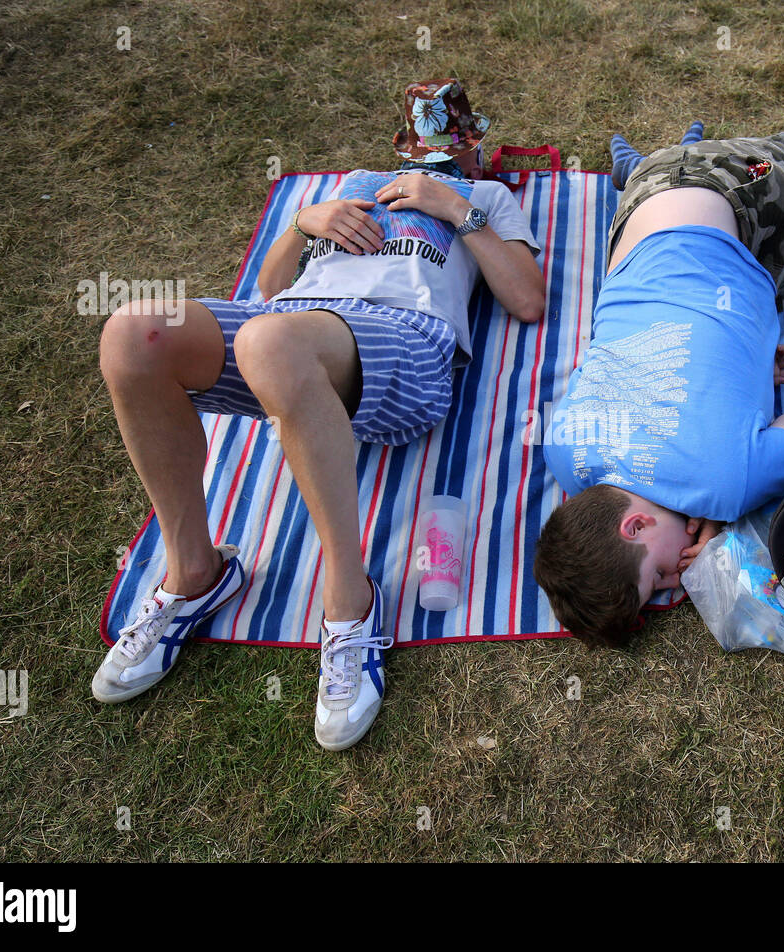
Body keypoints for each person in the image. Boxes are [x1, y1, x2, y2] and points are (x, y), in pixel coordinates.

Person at [92, 79, 545, 751]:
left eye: (458, 150)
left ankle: (351, 601)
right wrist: (299, 224)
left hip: (404, 343)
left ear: (481, 152)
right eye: (427, 150)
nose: (442, 161)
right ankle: (194, 573)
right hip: (288, 327)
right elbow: (272, 288)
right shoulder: (358, 181)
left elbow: (528, 300)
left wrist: (455, 208)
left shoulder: (486, 196)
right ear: (400, 148)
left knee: (270, 343)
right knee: (134, 332)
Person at [534, 125, 784, 645]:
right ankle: (649, 162)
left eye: (658, 575)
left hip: (735, 189)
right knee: (674, 181)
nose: (676, 578)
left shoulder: (726, 486)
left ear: (634, 528)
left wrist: (728, 504)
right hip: (635, 221)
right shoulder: (562, 454)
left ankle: (688, 151)